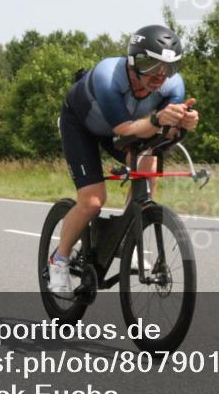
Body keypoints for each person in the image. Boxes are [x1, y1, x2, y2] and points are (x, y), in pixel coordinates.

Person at [49, 25, 199, 297]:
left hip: (124, 127)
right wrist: (158, 120)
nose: (159, 76)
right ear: (133, 61)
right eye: (151, 65)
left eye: (168, 67)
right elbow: (125, 129)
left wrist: (183, 124)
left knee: (149, 165)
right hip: (82, 126)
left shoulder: (173, 85)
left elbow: (164, 131)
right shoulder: (108, 76)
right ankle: (58, 260)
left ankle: (129, 239)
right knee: (93, 201)